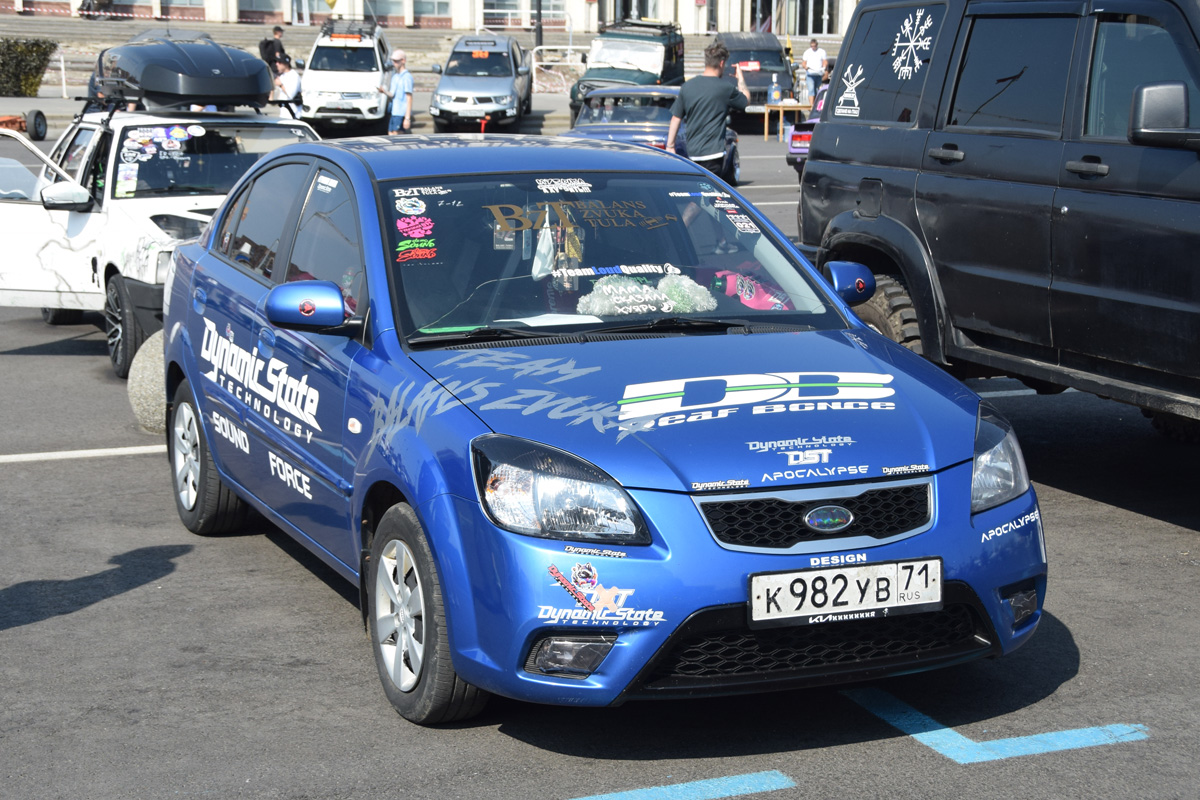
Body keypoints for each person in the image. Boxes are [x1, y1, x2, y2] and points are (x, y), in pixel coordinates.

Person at [665, 41, 749, 168]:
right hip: (714, 155)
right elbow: (745, 100)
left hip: (693, 154)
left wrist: (670, 146)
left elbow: (676, 118)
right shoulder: (725, 88)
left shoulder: (688, 87)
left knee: (695, 187)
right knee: (710, 187)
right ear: (721, 63)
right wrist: (740, 79)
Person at [377, 49, 414, 134]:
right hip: (394, 111)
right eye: (393, 61)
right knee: (390, 133)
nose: (394, 63)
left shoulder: (407, 77)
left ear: (403, 61)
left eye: (396, 61)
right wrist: (384, 91)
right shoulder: (395, 76)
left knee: (397, 136)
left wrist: (407, 118)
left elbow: (409, 98)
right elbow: (392, 94)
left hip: (401, 113)